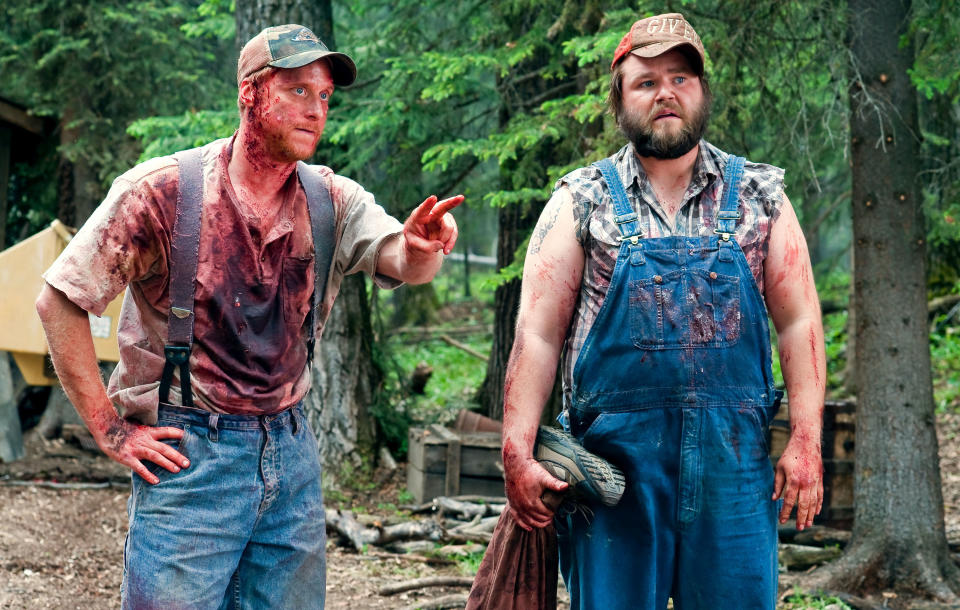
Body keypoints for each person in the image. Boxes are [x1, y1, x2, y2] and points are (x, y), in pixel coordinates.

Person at [35, 24, 461, 609]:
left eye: (325, 97)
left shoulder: (330, 198)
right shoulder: (164, 193)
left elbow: (401, 259)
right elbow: (59, 299)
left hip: (290, 453)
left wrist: (421, 247)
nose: (316, 110)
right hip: (188, 456)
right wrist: (110, 428)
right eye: (298, 91)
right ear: (249, 94)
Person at [501, 12, 825, 609]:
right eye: (646, 82)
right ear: (620, 100)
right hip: (614, 473)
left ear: (702, 93)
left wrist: (806, 439)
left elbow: (799, 320)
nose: (666, 93)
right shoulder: (581, 200)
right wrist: (517, 451)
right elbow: (538, 336)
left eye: (681, 78)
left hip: (735, 469)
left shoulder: (761, 195)